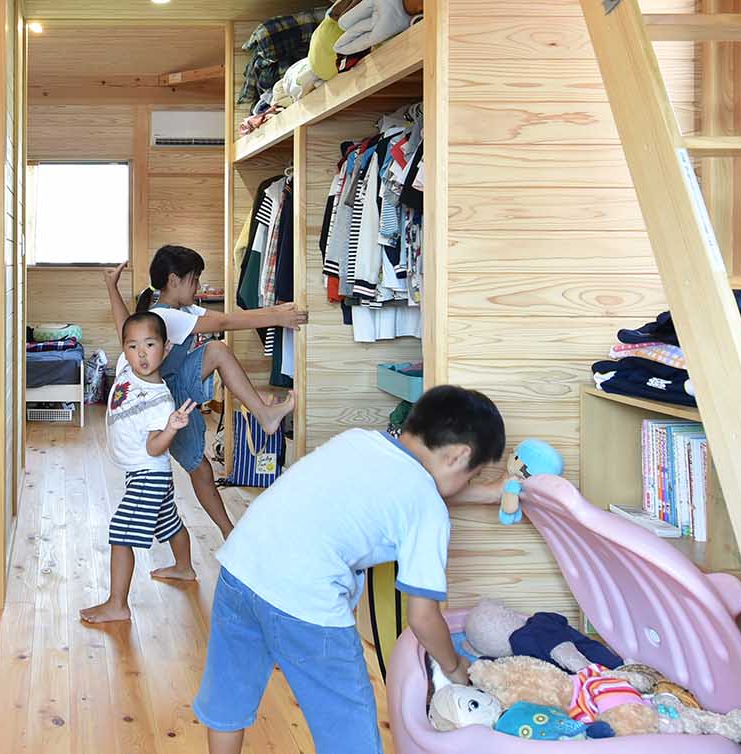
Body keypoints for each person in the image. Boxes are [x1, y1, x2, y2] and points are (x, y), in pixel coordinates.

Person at [192, 385, 507, 754]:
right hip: (305, 601)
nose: (466, 485)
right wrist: (453, 666)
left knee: (229, 697)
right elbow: (423, 618)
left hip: (241, 567)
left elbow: (418, 487)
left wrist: (489, 492)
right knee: (347, 727)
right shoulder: (428, 509)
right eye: (471, 476)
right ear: (459, 455)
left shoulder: (359, 440)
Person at [105, 246, 306, 539]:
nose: (198, 286)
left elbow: (224, 316)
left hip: (170, 390)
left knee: (199, 469)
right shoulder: (165, 316)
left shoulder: (181, 311)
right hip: (163, 400)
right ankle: (229, 533)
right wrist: (278, 317)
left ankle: (226, 536)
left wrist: (111, 287)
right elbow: (225, 323)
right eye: (194, 279)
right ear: (174, 280)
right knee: (198, 468)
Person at [80, 310, 197, 624]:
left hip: (149, 472)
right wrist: (111, 287)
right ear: (124, 349)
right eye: (133, 346)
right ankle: (184, 568)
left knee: (121, 533)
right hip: (142, 472)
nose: (141, 354)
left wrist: (171, 428)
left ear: (166, 348)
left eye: (150, 345)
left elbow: (154, 447)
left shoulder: (161, 401)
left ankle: (117, 604)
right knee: (168, 520)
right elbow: (124, 324)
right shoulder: (125, 368)